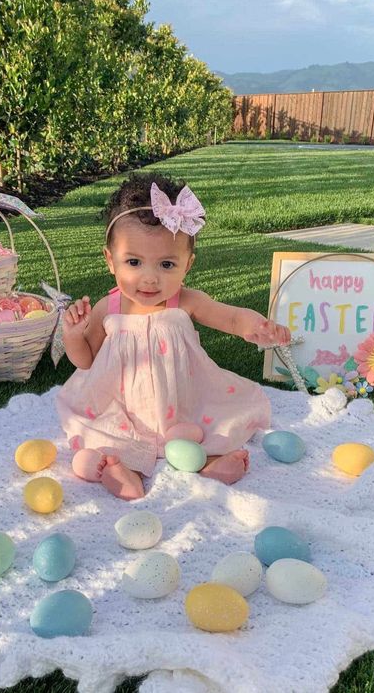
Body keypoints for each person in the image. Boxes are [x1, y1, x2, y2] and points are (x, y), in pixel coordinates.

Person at [56, 173, 290, 501]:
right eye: (134, 262)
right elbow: (86, 360)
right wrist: (74, 334)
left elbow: (232, 317)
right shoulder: (107, 307)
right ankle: (120, 468)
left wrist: (258, 326)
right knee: (112, 432)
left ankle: (207, 462)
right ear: (111, 261)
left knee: (208, 427)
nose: (150, 278)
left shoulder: (187, 300)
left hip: (180, 399)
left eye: (167, 264)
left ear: (187, 265)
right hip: (123, 404)